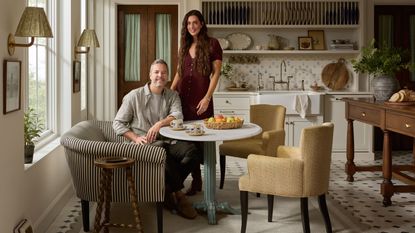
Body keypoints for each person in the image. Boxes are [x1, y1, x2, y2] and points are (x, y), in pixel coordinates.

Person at [113, 59, 201, 219]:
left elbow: (178, 115)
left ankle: (167, 189)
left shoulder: (172, 95)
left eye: (163, 73)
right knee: (160, 149)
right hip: (143, 143)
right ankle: (180, 195)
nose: (160, 75)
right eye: (156, 72)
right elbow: (118, 124)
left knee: (192, 152)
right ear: (150, 75)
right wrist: (135, 138)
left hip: (168, 140)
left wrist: (160, 123)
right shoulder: (134, 96)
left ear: (168, 76)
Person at [170, 9, 223, 196]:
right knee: (187, 140)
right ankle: (196, 181)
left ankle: (206, 182)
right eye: (188, 23)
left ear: (201, 24)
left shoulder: (212, 44)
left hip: (202, 99)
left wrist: (208, 97)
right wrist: (170, 92)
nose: (191, 26)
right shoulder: (183, 46)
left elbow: (216, 72)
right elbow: (179, 72)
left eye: (195, 22)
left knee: (204, 141)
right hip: (183, 99)